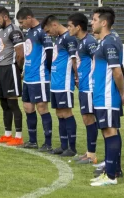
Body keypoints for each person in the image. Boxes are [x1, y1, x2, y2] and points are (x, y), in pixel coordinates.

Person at [89, 6, 124, 186]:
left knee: (109, 131)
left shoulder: (108, 42)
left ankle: (110, 176)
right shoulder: (110, 40)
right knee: (110, 131)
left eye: (95, 20)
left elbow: (117, 71)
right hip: (103, 94)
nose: (92, 22)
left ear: (104, 23)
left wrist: (121, 92)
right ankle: (114, 170)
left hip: (106, 95)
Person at [15, 7, 54, 151]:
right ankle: (32, 141)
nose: (21, 25)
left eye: (22, 22)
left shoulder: (43, 32)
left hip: (40, 77)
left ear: (29, 18)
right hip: (28, 77)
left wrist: (47, 71)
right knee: (27, 107)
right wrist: (24, 70)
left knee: (42, 108)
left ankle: (48, 143)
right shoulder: (29, 32)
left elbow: (49, 52)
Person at [41, 15, 78, 157]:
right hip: (55, 83)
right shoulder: (59, 38)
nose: (48, 34)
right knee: (59, 113)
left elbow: (74, 59)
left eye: (48, 31)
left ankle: (72, 148)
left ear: (55, 25)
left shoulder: (69, 38)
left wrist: (76, 77)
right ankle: (63, 146)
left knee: (66, 112)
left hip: (64, 82)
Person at [0, 7, 24, 146]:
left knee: (12, 103)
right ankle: (7, 134)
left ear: (5, 17)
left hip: (11, 68)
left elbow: (20, 53)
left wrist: (20, 70)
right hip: (2, 69)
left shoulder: (14, 31)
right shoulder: (0, 32)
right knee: (4, 103)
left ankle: (19, 136)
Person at [67, 12, 99, 164]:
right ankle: (89, 153)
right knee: (87, 119)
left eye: (70, 26)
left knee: (90, 118)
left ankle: (92, 155)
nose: (68, 29)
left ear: (78, 27)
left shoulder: (89, 42)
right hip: (84, 86)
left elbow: (99, 61)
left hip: (90, 87)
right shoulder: (80, 42)